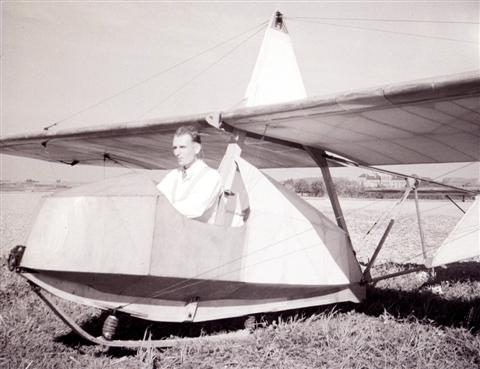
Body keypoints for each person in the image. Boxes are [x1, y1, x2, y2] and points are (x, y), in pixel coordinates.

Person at [157, 126, 222, 222]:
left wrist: (160, 209)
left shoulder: (211, 176)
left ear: (196, 149)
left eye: (182, 147)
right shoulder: (173, 175)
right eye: (175, 148)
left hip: (198, 235)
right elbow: (157, 198)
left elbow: (194, 208)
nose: (177, 153)